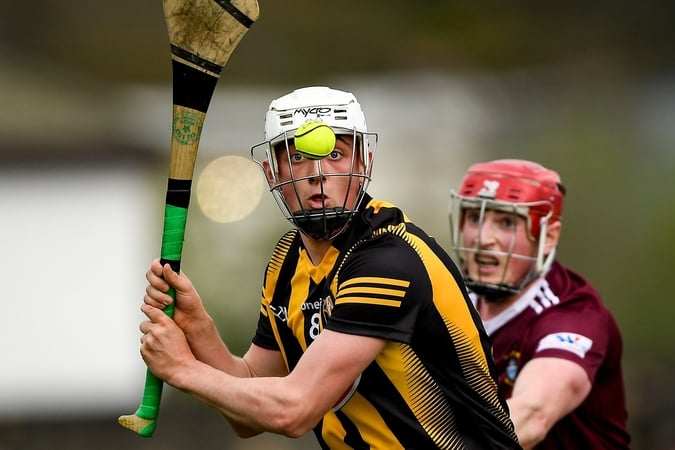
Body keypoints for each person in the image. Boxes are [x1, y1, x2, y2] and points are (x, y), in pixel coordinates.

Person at [138, 86, 520, 449]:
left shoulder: (387, 262)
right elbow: (250, 411)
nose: (317, 174)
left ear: (364, 161)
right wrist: (198, 329)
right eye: (298, 158)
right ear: (273, 173)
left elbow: (293, 409)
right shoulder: (288, 262)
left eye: (335, 154)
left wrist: (183, 370)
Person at [448, 159, 630, 449]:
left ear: (549, 237)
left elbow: (531, 417)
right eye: (474, 218)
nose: (483, 239)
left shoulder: (574, 315)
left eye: (506, 222)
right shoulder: (448, 302)